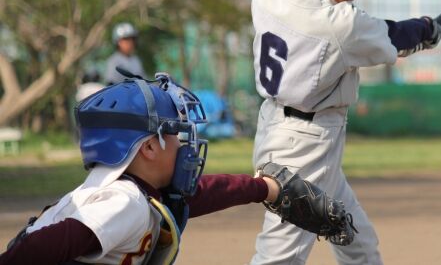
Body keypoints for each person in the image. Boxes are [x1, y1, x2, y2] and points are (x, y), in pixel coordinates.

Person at [249, 0, 441, 264]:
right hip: (304, 148)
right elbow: (394, 36)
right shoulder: (340, 24)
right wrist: (427, 29)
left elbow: (369, 30)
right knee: (280, 255)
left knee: (356, 239)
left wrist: (418, 31)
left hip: (278, 127)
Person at [0, 73, 342, 265]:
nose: (183, 144)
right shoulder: (123, 202)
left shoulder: (138, 192)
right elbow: (33, 251)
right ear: (148, 148)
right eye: (175, 134)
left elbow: (199, 195)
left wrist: (265, 188)